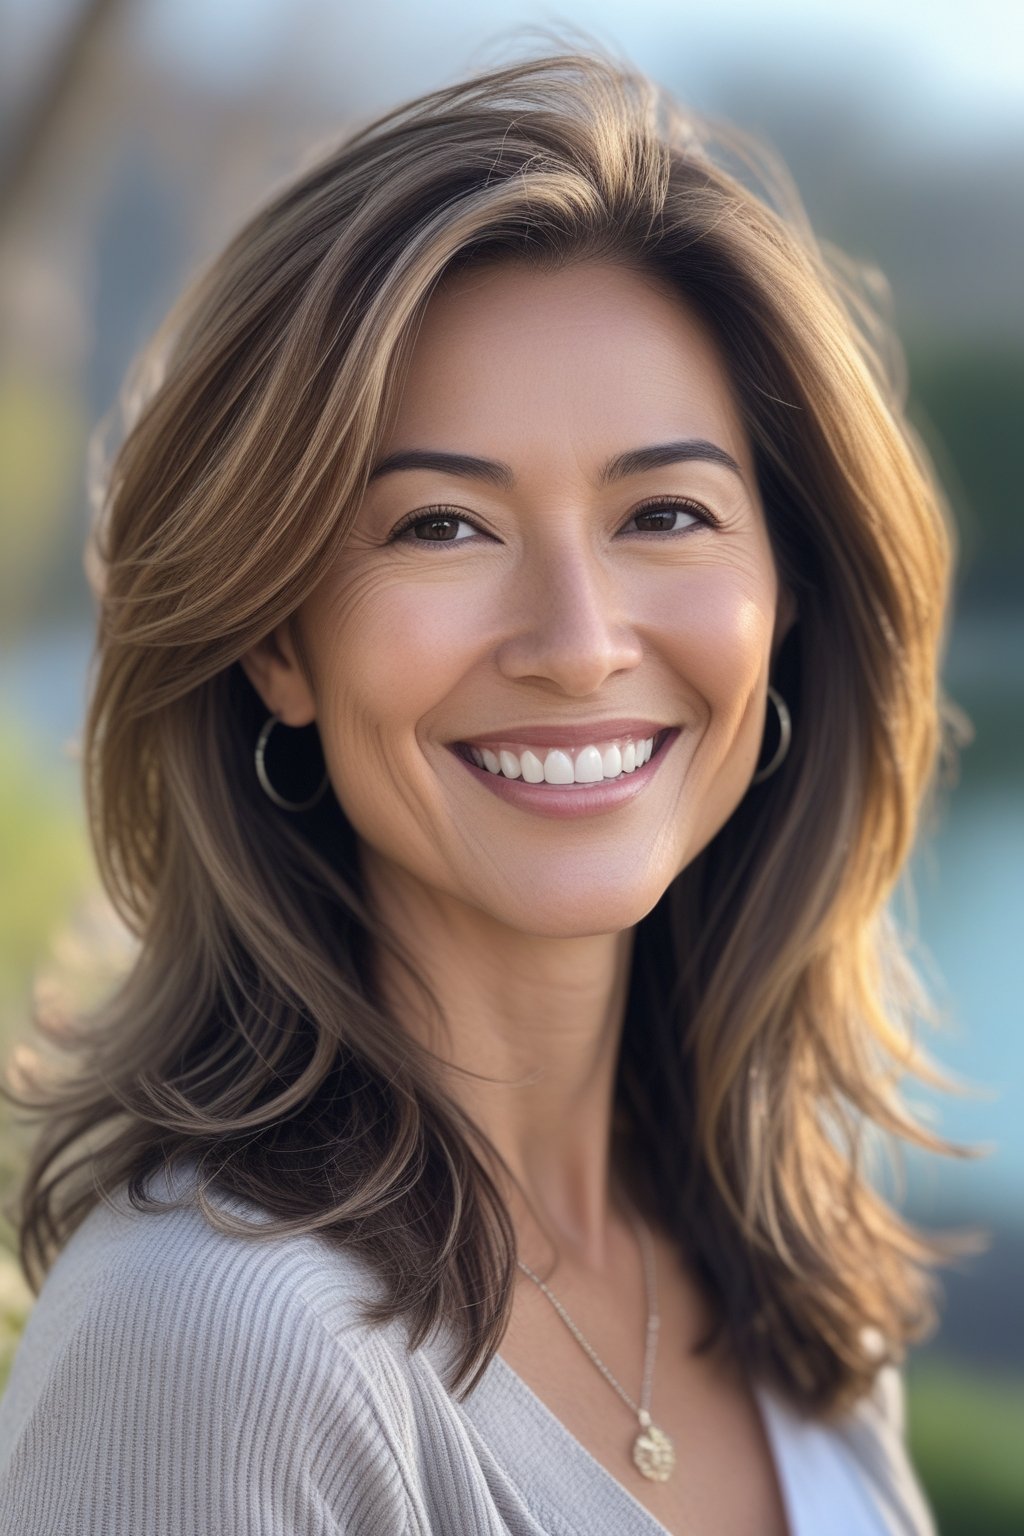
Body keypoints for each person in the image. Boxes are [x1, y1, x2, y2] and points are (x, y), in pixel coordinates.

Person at [0, 44, 969, 1535]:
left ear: (788, 597)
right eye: (443, 525)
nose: (579, 646)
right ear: (276, 643)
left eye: (665, 512)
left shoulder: (783, 1278)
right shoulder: (212, 1346)